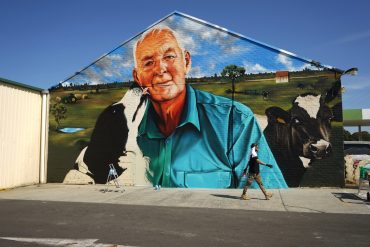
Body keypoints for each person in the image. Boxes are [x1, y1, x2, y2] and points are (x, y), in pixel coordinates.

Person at [133, 26, 287, 188]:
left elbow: (267, 200)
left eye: (169, 56)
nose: (160, 69)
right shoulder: (131, 130)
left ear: (186, 61)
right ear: (138, 77)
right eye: (149, 63)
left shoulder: (234, 120)